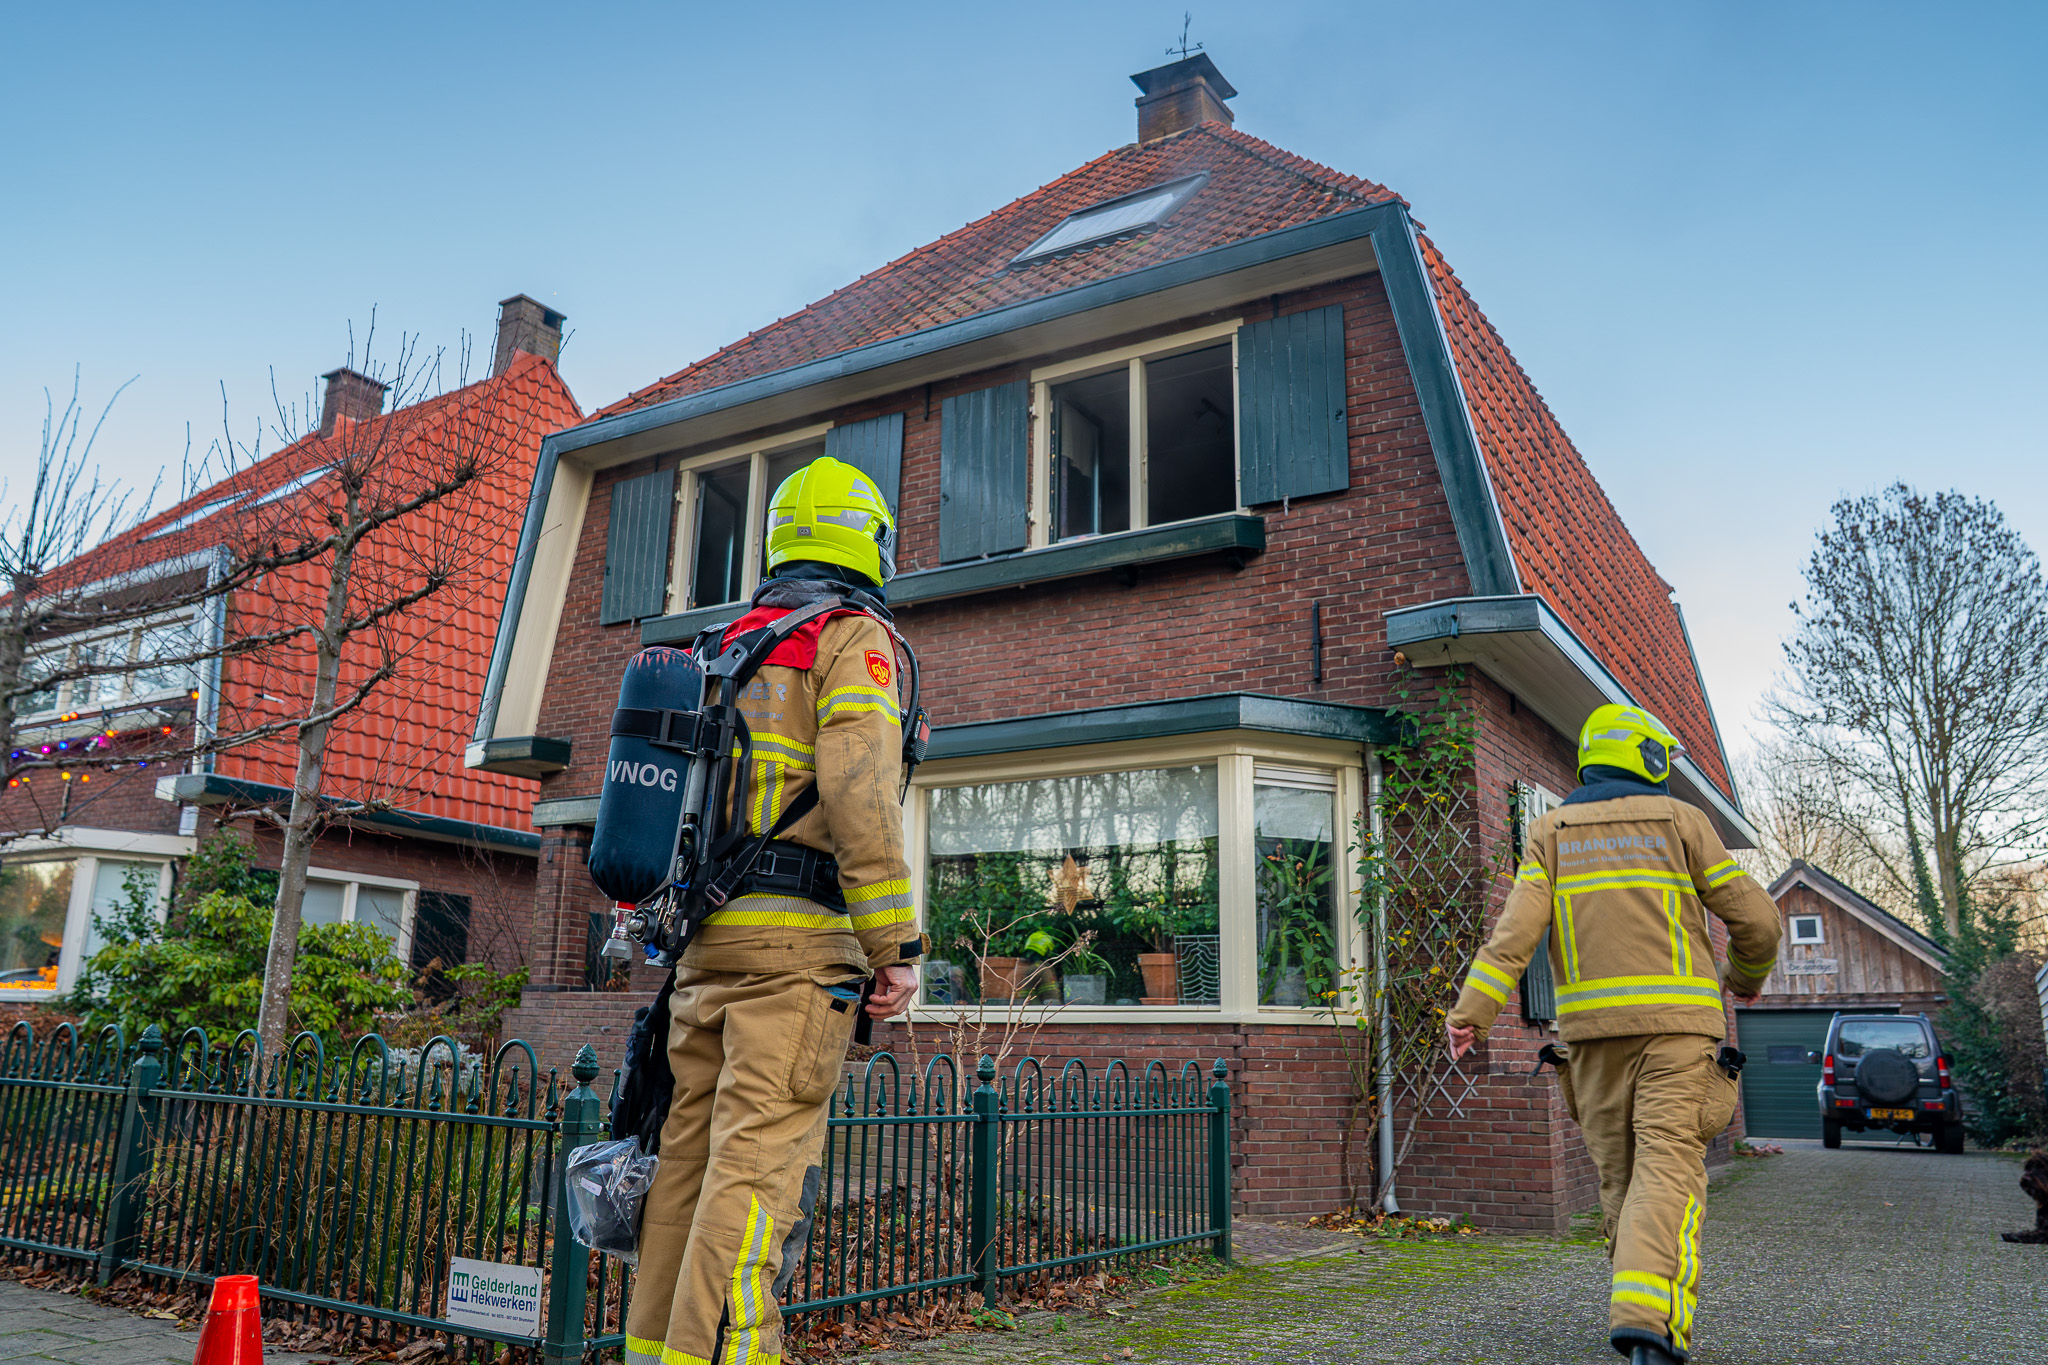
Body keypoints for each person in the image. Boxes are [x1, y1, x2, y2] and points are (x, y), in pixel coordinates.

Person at [624, 456, 925, 1365]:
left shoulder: (727, 647)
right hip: (795, 962)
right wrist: (895, 945)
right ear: (867, 541)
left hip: (705, 953)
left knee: (684, 1167)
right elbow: (859, 792)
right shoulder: (850, 640)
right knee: (754, 1181)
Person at [1444, 704, 1781, 1365]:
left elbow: (1513, 935)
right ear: (1649, 759)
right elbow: (1762, 924)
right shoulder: (1682, 822)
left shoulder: (1550, 830)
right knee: (1668, 1169)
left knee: (1624, 1180)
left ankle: (1643, 1319)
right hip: (1677, 1037)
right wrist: (1743, 975)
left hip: (1590, 1044)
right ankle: (1648, 1325)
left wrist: (1470, 1014)